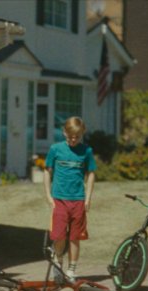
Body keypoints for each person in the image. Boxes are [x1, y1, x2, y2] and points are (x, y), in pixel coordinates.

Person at [43, 116, 96, 279]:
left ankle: (72, 269)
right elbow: (47, 171)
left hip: (78, 200)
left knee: (75, 237)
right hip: (59, 199)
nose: (73, 140)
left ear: (82, 134)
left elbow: (91, 173)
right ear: (64, 132)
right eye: (70, 136)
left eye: (77, 137)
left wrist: (87, 198)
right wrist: (48, 196)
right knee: (59, 236)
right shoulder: (55, 149)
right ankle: (58, 262)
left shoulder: (86, 151)